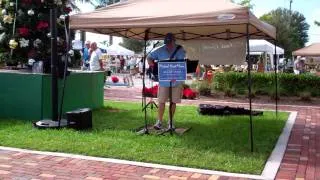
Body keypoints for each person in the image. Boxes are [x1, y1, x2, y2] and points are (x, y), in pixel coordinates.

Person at [147, 33, 186, 130]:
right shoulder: (160, 50)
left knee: (173, 102)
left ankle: (171, 122)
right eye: (166, 43)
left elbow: (182, 64)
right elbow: (149, 57)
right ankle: (159, 121)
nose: (168, 45)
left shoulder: (180, 49)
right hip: (164, 80)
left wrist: (176, 75)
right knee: (161, 101)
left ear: (174, 41)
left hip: (176, 80)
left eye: (170, 42)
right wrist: (153, 66)